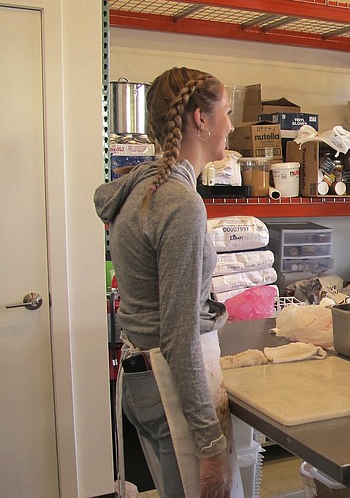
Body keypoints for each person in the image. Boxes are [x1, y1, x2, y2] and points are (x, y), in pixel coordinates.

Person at [95, 67, 239, 498]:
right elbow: (179, 333)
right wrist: (210, 444)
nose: (231, 125)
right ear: (201, 119)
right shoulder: (180, 204)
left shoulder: (143, 187)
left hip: (141, 375)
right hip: (170, 381)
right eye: (226, 113)